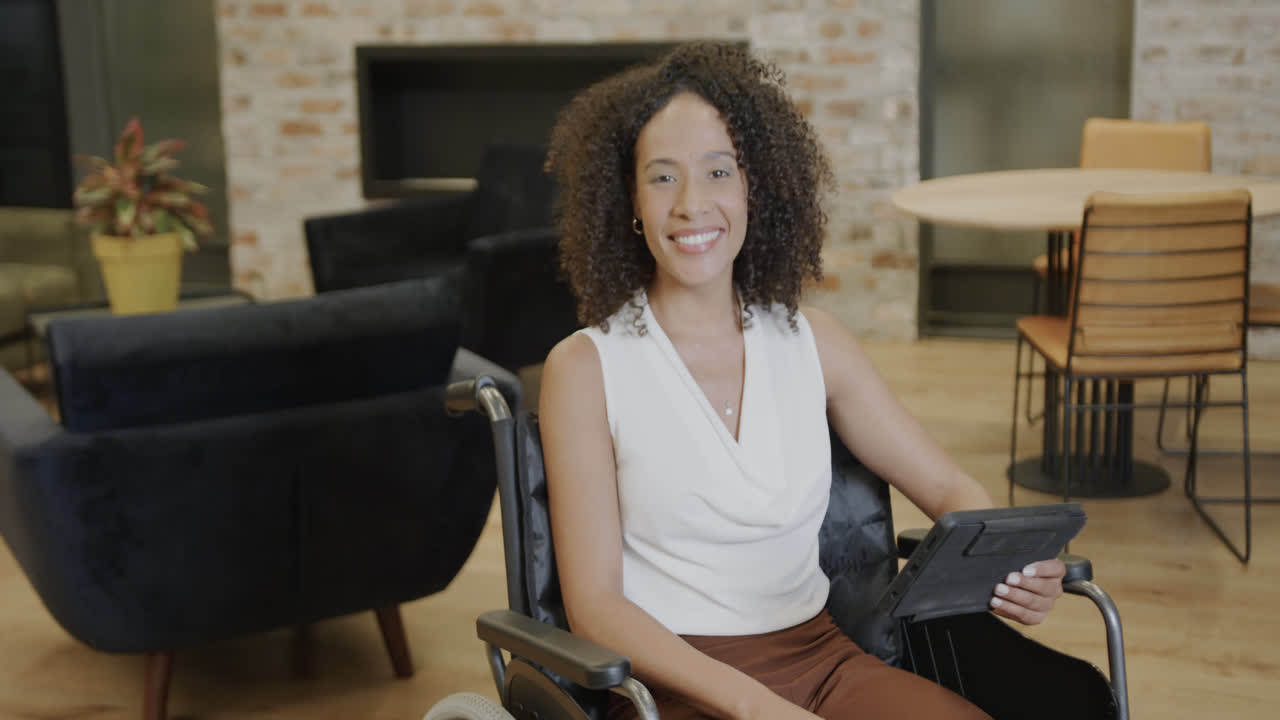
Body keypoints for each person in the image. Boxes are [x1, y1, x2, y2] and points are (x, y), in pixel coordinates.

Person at [538, 42, 1065, 720]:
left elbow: (946, 486)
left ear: (755, 187)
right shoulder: (585, 368)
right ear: (631, 202)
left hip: (823, 661)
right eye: (663, 178)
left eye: (718, 171)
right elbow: (597, 608)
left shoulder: (816, 344)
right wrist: (754, 708)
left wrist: (1007, 560)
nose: (692, 204)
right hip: (669, 684)